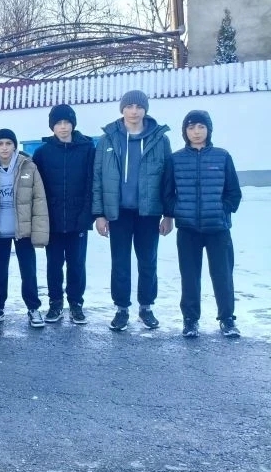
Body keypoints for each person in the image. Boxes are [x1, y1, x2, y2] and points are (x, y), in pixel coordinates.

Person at [92, 90, 174, 331]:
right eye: (129, 106)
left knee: (148, 261)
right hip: (118, 212)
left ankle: (146, 307)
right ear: (122, 109)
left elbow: (169, 179)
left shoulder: (160, 139)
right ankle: (121, 308)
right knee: (120, 262)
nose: (134, 111)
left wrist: (168, 214)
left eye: (139, 106)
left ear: (145, 109)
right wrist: (99, 213)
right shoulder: (109, 138)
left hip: (149, 212)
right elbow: (98, 176)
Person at [165, 110, 242, 338]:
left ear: (208, 129)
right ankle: (190, 320)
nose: (196, 132)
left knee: (222, 274)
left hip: (218, 229)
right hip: (188, 229)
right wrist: (175, 212)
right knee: (189, 276)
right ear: (184, 131)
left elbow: (233, 192)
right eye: (190, 128)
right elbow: (168, 193)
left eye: (200, 127)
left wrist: (222, 209)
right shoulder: (176, 159)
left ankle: (227, 319)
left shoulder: (222, 156)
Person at [0, 129, 49, 327]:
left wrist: (39, 230)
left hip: (22, 230)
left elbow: (39, 199)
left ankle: (33, 308)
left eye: (9, 143)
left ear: (15, 146)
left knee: (28, 271)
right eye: (0, 144)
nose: (5, 147)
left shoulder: (28, 167)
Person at [31, 105, 95, 325]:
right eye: (58, 123)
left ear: (73, 124)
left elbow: (92, 184)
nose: (63, 127)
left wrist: (88, 214)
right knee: (54, 264)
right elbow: (36, 189)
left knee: (77, 264)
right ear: (52, 126)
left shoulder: (87, 149)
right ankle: (55, 303)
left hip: (78, 218)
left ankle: (76, 304)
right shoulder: (42, 152)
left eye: (67, 122)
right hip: (53, 219)